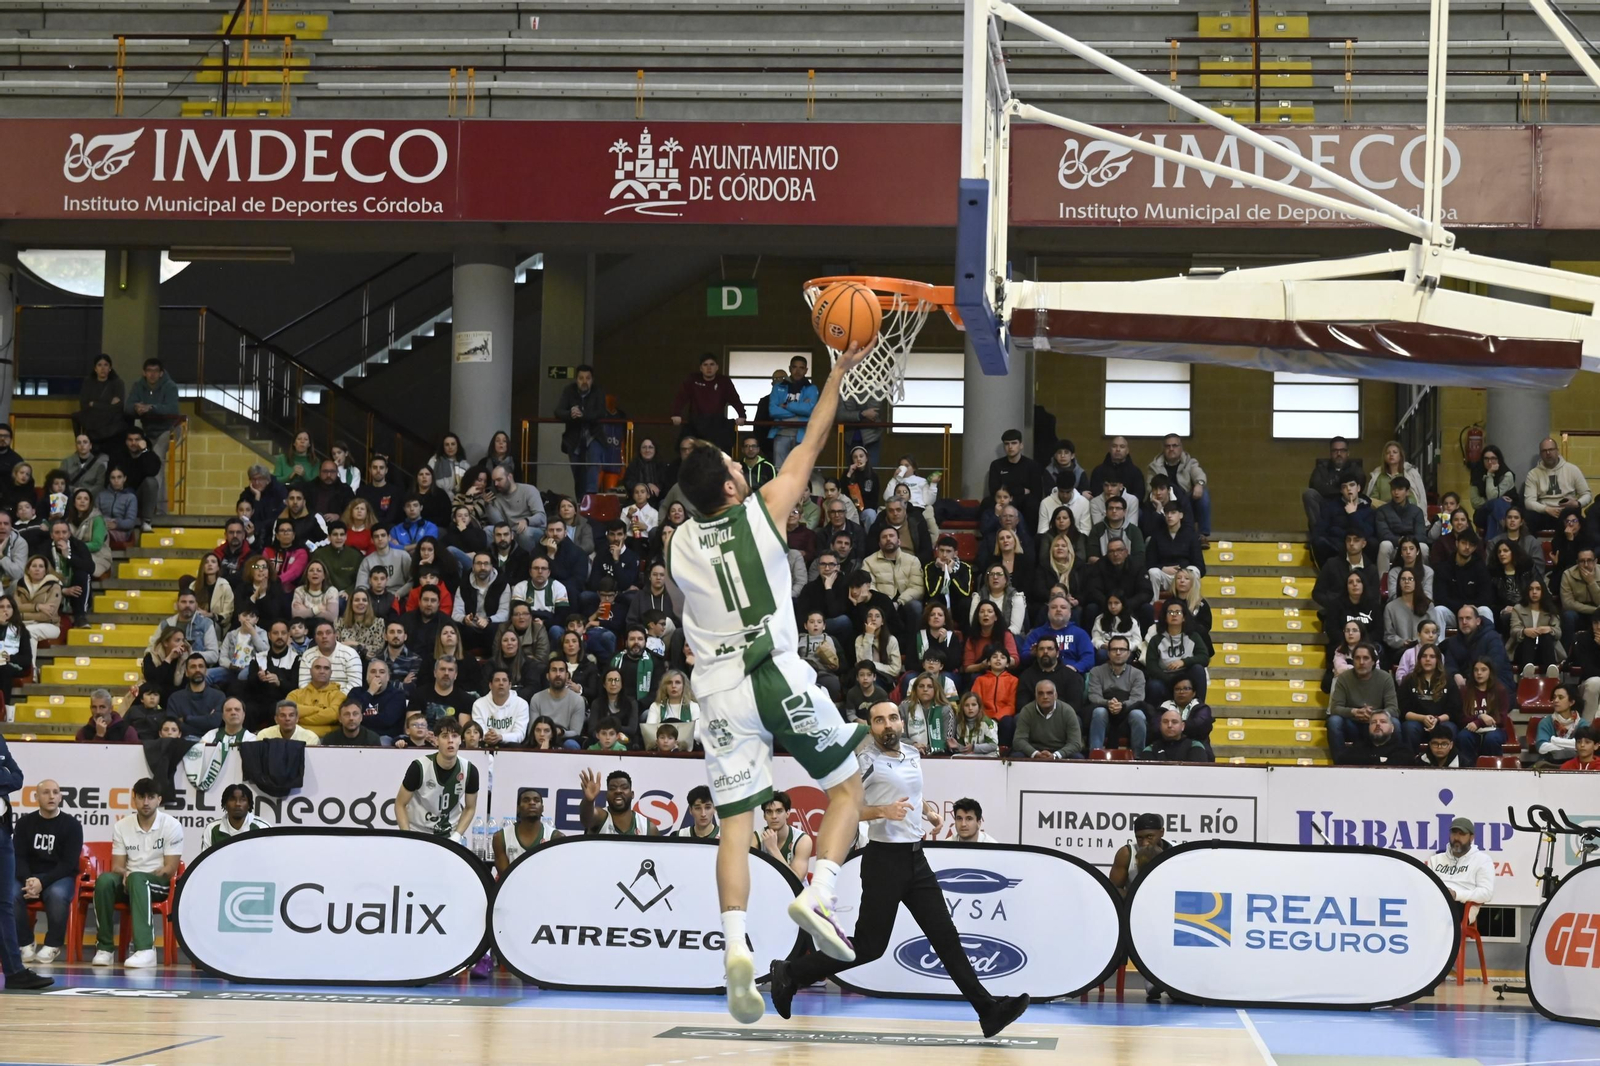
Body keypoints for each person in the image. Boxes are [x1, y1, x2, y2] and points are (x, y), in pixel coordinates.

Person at [668, 343, 872, 1022]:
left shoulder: (677, 542)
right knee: (845, 787)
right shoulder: (765, 507)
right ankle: (819, 892)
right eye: (732, 465)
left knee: (735, 828)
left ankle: (735, 946)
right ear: (731, 488)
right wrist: (839, 369)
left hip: (719, 694)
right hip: (774, 669)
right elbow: (813, 438)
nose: (740, 466)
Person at [768, 700, 1028, 1036]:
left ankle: (988, 1011)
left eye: (892, 718)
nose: (887, 725)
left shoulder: (913, 754)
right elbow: (842, 810)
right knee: (869, 947)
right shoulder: (865, 762)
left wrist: (927, 814)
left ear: (902, 723)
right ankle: (791, 972)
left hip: (916, 859)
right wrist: (881, 812)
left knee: (946, 938)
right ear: (870, 727)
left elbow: (908, 796)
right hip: (883, 861)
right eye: (879, 720)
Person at [89, 777, 180, 969]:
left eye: (151, 797)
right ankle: (105, 948)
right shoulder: (122, 826)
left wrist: (161, 870)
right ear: (134, 800)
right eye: (141, 797)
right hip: (130, 881)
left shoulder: (171, 825)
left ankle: (146, 950)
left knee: (139, 879)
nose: (145, 802)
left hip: (158, 884)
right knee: (105, 881)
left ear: (159, 800)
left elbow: (171, 868)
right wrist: (125, 874)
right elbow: (117, 866)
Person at [10, 776, 81, 968]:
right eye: (46, 792)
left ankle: (53, 944)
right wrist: (28, 880)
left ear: (60, 798)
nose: (51, 796)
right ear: (36, 797)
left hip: (59, 876)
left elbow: (68, 863)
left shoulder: (72, 825)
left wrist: (43, 881)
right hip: (29, 876)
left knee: (57, 895)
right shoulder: (25, 823)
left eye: (55, 792)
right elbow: (19, 856)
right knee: (10, 893)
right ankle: (25, 942)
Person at [1108, 812, 1172, 1001]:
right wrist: (1137, 898)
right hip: (1137, 915)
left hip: (1167, 913)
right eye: (1140, 838)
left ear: (1161, 832)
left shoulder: (1175, 853)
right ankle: (1153, 979)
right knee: (1147, 928)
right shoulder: (1126, 853)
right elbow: (1112, 890)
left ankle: (1178, 984)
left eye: (1150, 837)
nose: (1144, 843)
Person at [395, 718, 478, 839]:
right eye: (445, 736)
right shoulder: (419, 767)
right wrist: (407, 836)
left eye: (454, 736)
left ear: (460, 739)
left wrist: (457, 835)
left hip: (449, 834)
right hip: (418, 832)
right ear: (436, 740)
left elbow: (470, 808)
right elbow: (400, 804)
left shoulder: (470, 770)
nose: (450, 741)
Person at [671, 353, 746, 454]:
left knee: (720, 449)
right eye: (705, 365)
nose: (709, 368)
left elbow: (734, 399)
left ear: (717, 367)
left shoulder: (724, 381)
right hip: (696, 423)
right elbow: (681, 397)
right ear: (701, 368)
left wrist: (742, 415)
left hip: (716, 423)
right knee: (686, 448)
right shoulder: (692, 379)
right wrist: (676, 413)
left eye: (712, 364)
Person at [1426, 817, 1494, 927]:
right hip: (1435, 902)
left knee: (1443, 911)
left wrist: (1456, 894)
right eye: (1454, 833)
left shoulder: (1482, 860)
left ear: (1471, 837)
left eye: (1462, 834)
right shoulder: (1435, 859)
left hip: (1462, 904)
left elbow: (1486, 893)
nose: (1457, 838)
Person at [1525, 436, 1592, 533]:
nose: (1548, 453)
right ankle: (1533, 547)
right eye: (1544, 451)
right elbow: (1529, 502)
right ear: (1540, 454)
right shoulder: (1533, 474)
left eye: (1551, 449)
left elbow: (1587, 494)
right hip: (1545, 512)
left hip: (1567, 511)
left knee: (1574, 516)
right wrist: (1546, 509)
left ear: (1557, 451)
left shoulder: (1572, 469)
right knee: (1529, 516)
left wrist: (1577, 503)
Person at [1303, 435, 1365, 532]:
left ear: (1348, 453)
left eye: (1342, 450)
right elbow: (1315, 486)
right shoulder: (1321, 468)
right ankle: (1318, 532)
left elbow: (1360, 486)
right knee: (1308, 494)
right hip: (1326, 506)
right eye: (1335, 450)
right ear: (1330, 453)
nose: (1339, 453)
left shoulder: (1356, 469)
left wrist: (1331, 487)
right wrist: (1340, 489)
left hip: (1347, 506)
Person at [1013, 678, 1084, 760]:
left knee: (1077, 757)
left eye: (1049, 693)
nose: (1045, 697)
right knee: (1016, 756)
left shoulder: (1067, 711)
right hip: (1034, 750)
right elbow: (1018, 741)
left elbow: (1075, 743)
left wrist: (1055, 755)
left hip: (1060, 750)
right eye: (1041, 693)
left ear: (1056, 695)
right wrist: (1035, 753)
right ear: (1035, 696)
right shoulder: (1027, 711)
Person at [494, 788, 560, 875]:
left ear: (542, 808)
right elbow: (506, 878)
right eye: (526, 800)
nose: (532, 803)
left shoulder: (555, 837)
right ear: (518, 808)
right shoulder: (500, 837)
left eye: (536, 800)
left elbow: (554, 874)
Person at [577, 768, 659, 835]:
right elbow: (586, 820)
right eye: (612, 788)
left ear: (632, 794)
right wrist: (588, 801)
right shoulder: (601, 817)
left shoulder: (648, 828)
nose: (618, 791)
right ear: (606, 795)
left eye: (624, 787)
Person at [758, 791, 814, 879]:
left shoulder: (802, 840)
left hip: (795, 892)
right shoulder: (756, 839)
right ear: (764, 816)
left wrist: (773, 849)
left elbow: (797, 880)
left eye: (779, 811)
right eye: (769, 812)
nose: (774, 816)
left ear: (788, 813)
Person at [201, 783, 270, 851]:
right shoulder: (212, 829)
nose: (237, 804)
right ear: (225, 804)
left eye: (243, 799)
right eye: (232, 799)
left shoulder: (262, 827)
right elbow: (206, 861)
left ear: (249, 804)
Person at [1536, 683, 1585, 765]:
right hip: (1549, 764)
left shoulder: (1583, 723)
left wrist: (1553, 740)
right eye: (1554, 697)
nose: (1556, 700)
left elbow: (1583, 746)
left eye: (1560, 697)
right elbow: (1542, 747)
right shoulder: (1545, 722)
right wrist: (1572, 748)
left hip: (1576, 765)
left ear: (1571, 702)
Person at [1141, 706, 1209, 761]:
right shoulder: (1150, 749)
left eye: (1174, 722)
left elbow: (1199, 773)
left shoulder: (1194, 746)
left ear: (1182, 726)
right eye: (1165, 722)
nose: (1169, 725)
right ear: (1160, 725)